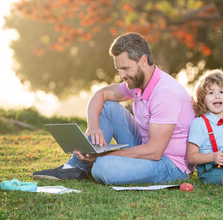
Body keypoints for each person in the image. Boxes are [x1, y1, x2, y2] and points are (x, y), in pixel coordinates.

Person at [33, 33, 195, 184]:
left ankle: (92, 162)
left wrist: (105, 155)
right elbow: (100, 95)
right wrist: (94, 127)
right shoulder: (138, 81)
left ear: (143, 60)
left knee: (104, 167)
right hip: (145, 148)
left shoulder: (165, 93)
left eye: (125, 68)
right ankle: (76, 167)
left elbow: (154, 152)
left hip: (169, 163)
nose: (122, 76)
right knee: (108, 107)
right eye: (119, 69)